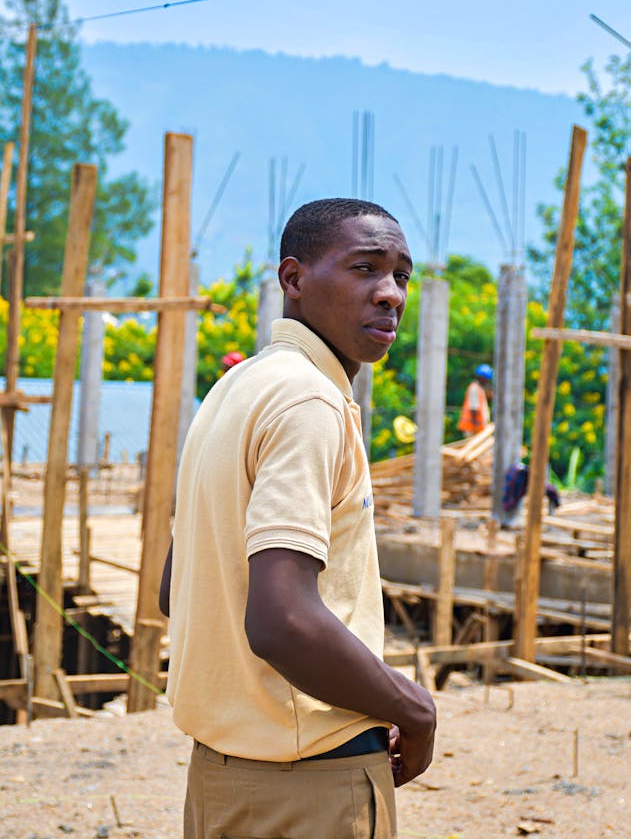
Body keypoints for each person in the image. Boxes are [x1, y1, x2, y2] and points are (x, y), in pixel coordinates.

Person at [164, 198, 436, 839]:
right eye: (364, 268)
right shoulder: (310, 400)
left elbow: (176, 585)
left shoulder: (236, 389)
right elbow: (281, 620)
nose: (389, 295)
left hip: (221, 781)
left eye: (401, 276)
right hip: (308, 787)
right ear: (293, 279)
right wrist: (412, 709)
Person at [457, 362, 493, 436]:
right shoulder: (474, 388)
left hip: (476, 428)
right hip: (472, 428)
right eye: (486, 379)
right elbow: (474, 409)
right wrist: (475, 428)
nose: (487, 381)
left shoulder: (480, 389)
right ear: (481, 378)